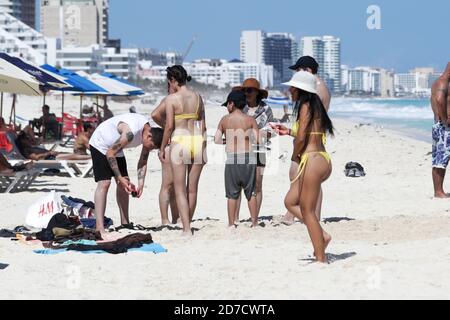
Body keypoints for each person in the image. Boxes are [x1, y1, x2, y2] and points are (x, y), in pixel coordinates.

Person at [278, 71, 334, 263]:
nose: (289, 90)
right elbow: (310, 132)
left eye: (292, 87)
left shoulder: (304, 106)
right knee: (290, 201)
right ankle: (322, 235)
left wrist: (295, 155)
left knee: (307, 211)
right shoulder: (316, 106)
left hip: (311, 160)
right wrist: (288, 130)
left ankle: (321, 258)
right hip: (322, 159)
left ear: (299, 89)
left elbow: (302, 138)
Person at [89, 113, 163, 237]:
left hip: (115, 148)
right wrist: (119, 177)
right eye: (150, 147)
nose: (149, 149)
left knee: (126, 182)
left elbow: (143, 160)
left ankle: (125, 223)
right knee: (105, 183)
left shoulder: (148, 132)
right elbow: (109, 153)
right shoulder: (130, 133)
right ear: (149, 136)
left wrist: (140, 183)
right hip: (100, 143)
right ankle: (99, 228)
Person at [159, 65, 206, 236]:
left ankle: (186, 228)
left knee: (179, 189)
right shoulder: (198, 97)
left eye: (168, 82)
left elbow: (169, 126)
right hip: (197, 140)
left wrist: (163, 147)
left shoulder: (172, 99)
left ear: (172, 80)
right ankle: (188, 221)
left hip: (180, 140)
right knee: (192, 189)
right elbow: (204, 125)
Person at [215, 91, 260, 227]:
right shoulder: (250, 119)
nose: (227, 107)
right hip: (248, 157)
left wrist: (227, 141)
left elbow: (216, 140)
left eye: (227, 104)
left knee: (232, 194)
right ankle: (254, 222)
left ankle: (231, 223)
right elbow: (258, 140)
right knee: (251, 192)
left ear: (231, 103)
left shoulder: (224, 119)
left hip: (232, 158)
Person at [232, 78, 274, 220]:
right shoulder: (239, 107)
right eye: (244, 90)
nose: (246, 93)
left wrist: (252, 134)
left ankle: (254, 217)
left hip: (260, 150)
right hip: (239, 150)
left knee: (257, 185)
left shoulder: (266, 109)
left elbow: (272, 131)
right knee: (238, 185)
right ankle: (235, 218)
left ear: (257, 92)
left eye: (249, 90)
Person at [151, 88, 180, 226]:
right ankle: (164, 219)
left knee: (175, 185)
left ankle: (175, 218)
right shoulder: (169, 99)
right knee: (167, 184)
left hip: (179, 144)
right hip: (170, 144)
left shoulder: (177, 99)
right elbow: (155, 114)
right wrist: (168, 128)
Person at [431, 62, 450, 198]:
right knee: (440, 160)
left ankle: (439, 191)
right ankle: (438, 192)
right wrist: (445, 120)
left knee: (441, 158)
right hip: (444, 127)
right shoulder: (442, 82)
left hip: (441, 125)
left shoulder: (440, 82)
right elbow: (438, 100)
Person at [16, 131, 91, 161]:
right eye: (27, 138)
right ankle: (91, 157)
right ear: (22, 141)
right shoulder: (25, 150)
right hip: (49, 157)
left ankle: (91, 157)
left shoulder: (29, 147)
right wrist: (49, 153)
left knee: (73, 155)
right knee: (74, 156)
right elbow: (35, 157)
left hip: (51, 155)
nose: (29, 139)